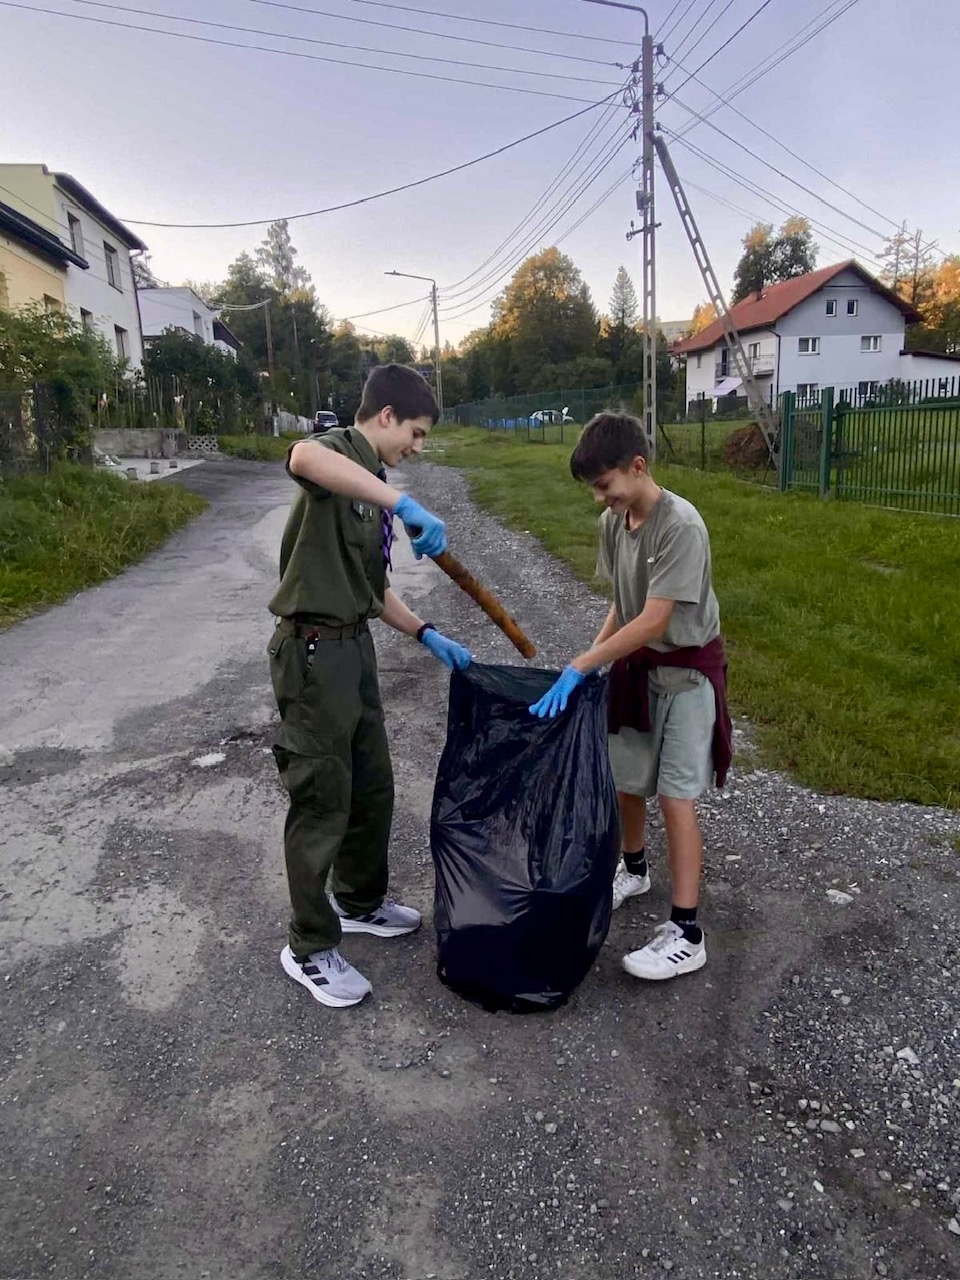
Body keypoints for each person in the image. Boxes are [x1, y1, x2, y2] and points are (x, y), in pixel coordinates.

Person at [268, 364, 472, 1008]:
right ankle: (308, 946)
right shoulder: (335, 455)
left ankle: (359, 903)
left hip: (354, 647)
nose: (417, 446)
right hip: (312, 652)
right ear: (385, 415)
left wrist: (424, 632)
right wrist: (402, 503)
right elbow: (300, 455)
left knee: (371, 786)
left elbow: (373, 588)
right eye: (415, 432)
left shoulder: (372, 481)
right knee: (322, 797)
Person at [530, 411, 731, 982]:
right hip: (637, 674)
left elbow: (655, 619)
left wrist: (582, 663)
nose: (600, 499)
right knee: (627, 779)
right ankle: (634, 868)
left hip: (686, 677)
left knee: (675, 795)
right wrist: (592, 665)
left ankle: (687, 933)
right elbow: (623, 604)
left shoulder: (681, 526)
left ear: (637, 467)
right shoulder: (614, 526)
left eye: (604, 486)